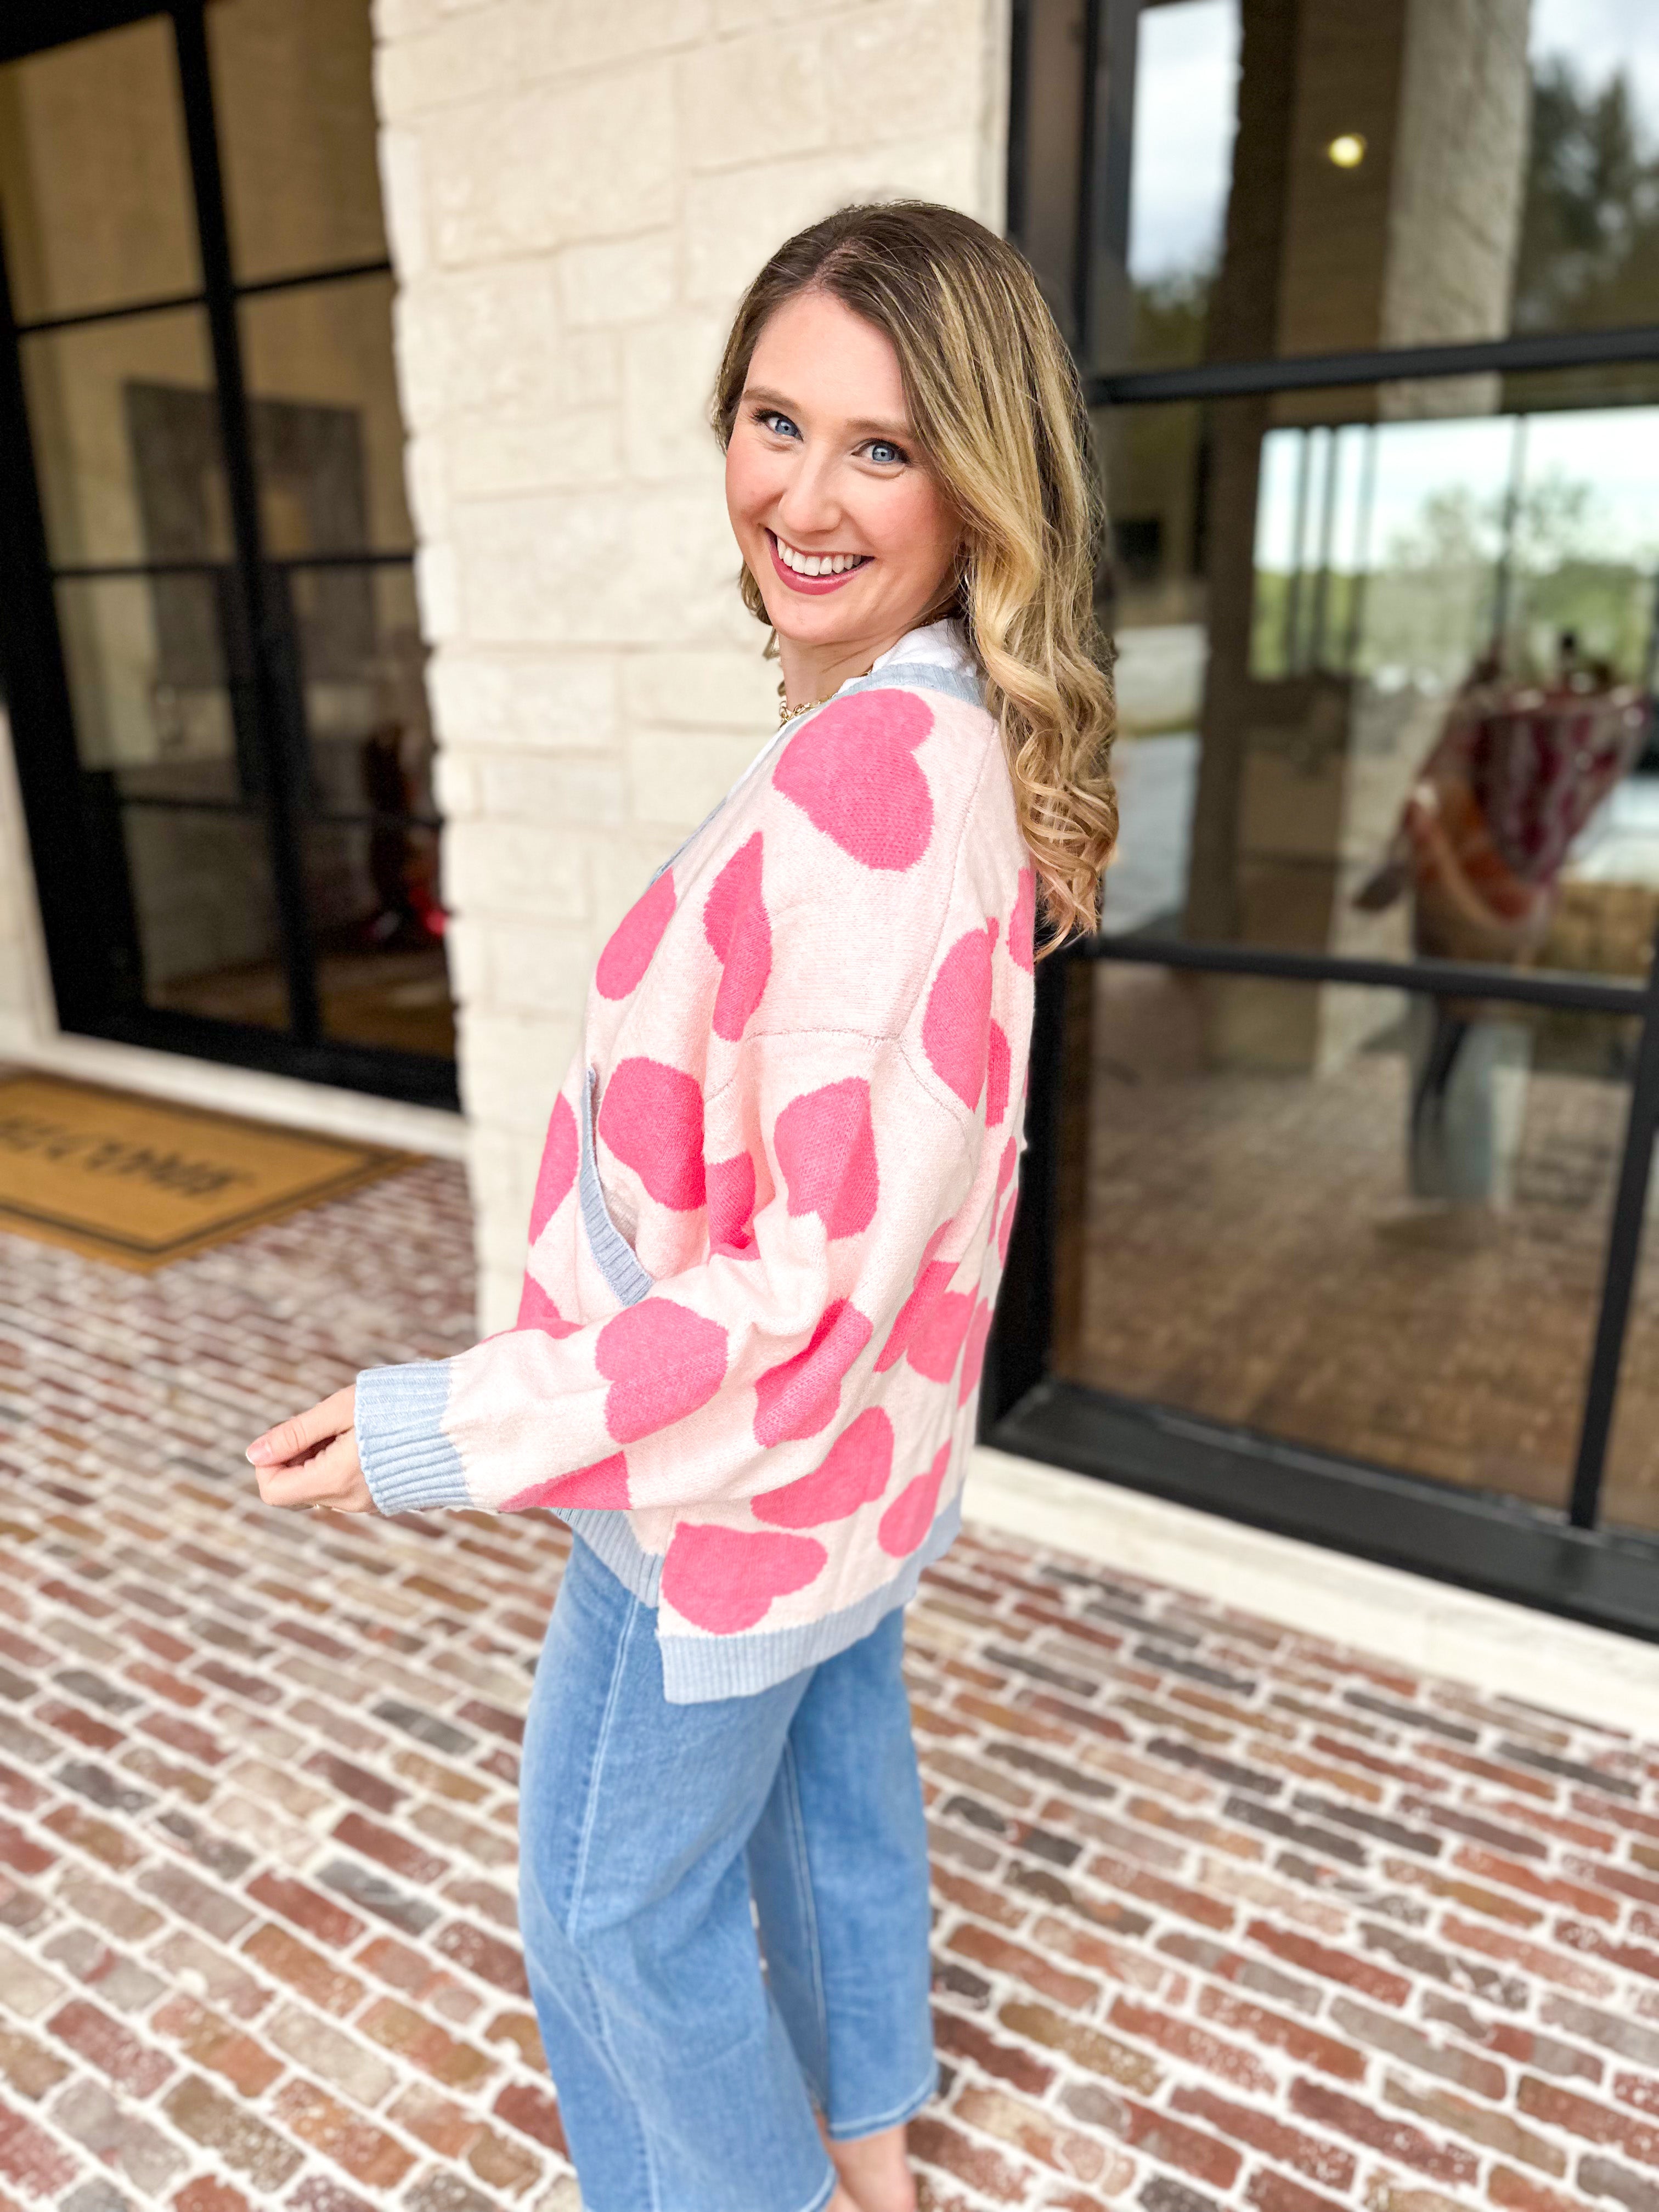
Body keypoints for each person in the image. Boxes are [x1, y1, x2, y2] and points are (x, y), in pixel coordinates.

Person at [245, 201, 1116, 2212]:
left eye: (884, 449)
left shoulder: (870, 787)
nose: (804, 498)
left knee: (611, 1920)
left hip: (719, 1492)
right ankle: (870, 2164)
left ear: (979, 485)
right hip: (856, 1482)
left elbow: (797, 1291)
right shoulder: (943, 738)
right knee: (830, 1802)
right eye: (775, 420)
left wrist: (444, 1424)